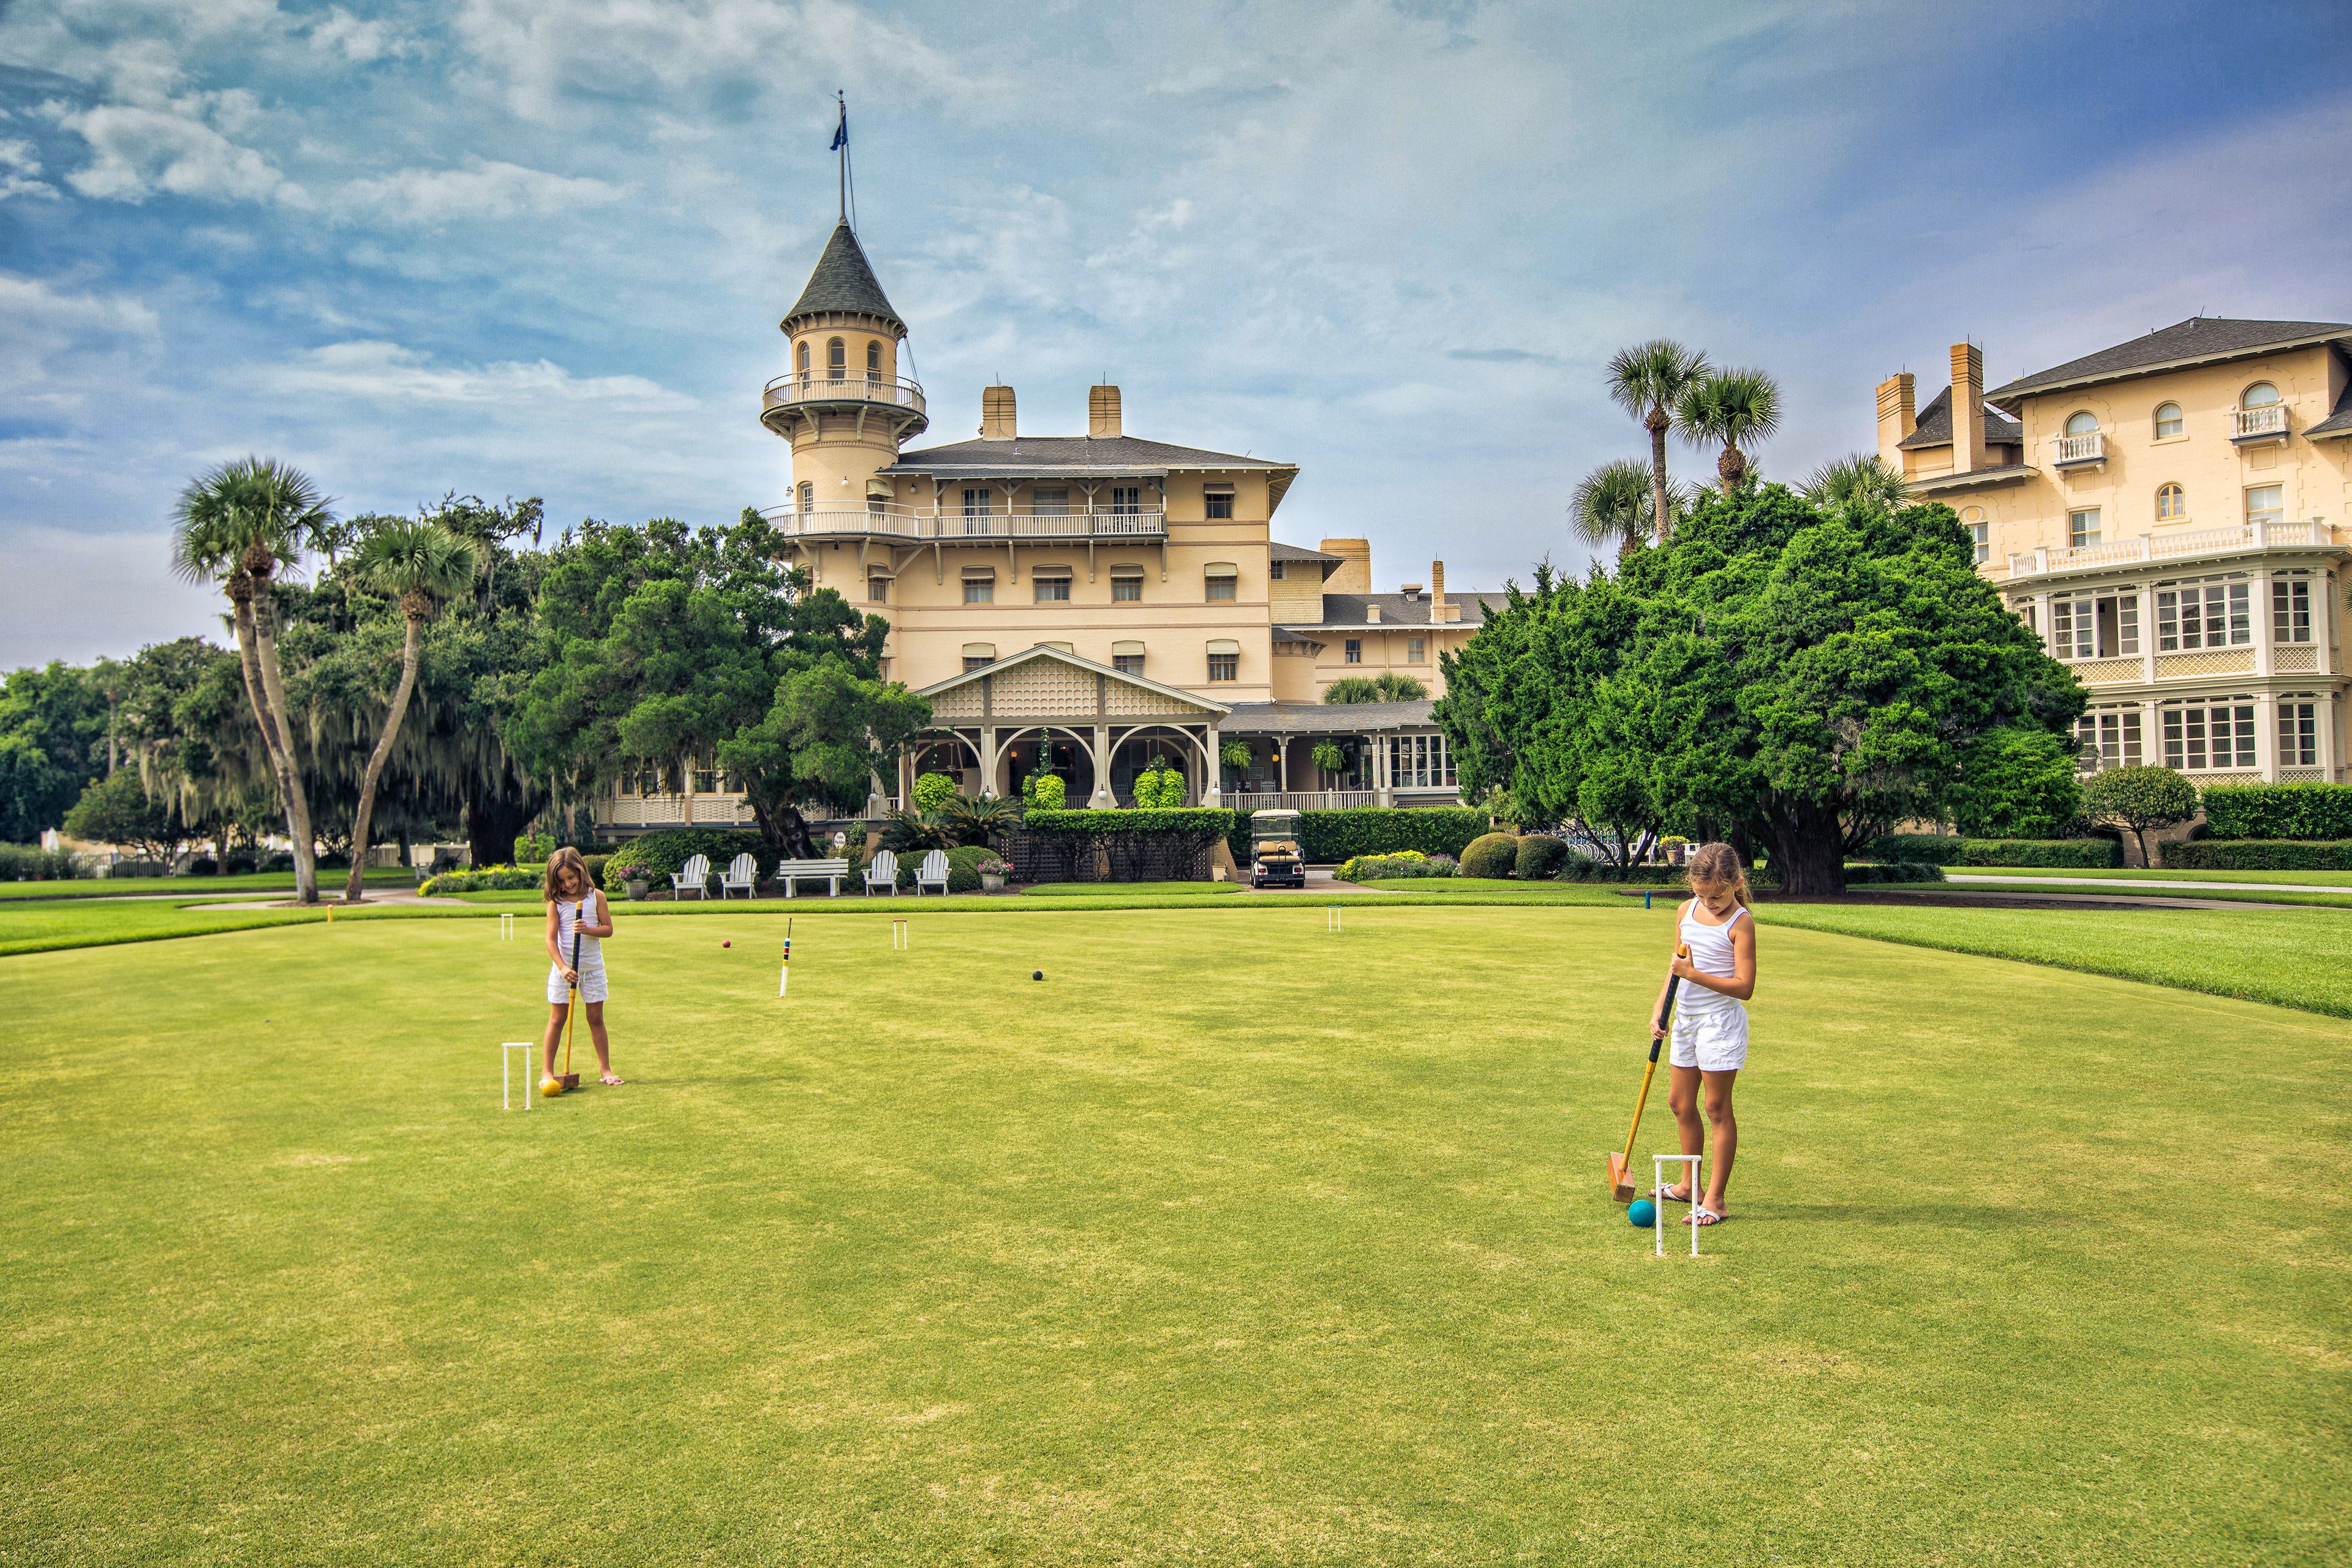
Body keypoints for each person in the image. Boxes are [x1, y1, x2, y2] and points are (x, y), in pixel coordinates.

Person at [1648, 842, 1755, 1226]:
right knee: (1679, 1103)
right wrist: (1662, 1005)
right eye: (1702, 895)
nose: (1710, 903)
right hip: (1687, 1020)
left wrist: (1694, 976)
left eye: (1718, 895)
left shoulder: (1740, 923)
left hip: (1720, 1024)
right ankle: (1688, 1185)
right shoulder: (1686, 911)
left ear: (1736, 883)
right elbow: (1676, 965)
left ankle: (1716, 1199)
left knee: (1716, 1108)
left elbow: (1745, 987)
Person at [542, 847, 623, 1087]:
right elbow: (550, 940)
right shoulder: (556, 904)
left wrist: (588, 929)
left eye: (571, 877)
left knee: (596, 1018)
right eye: (561, 880)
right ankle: (547, 1072)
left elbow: (608, 929)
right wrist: (563, 968)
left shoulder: (596, 897)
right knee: (557, 1020)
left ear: (580, 871)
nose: (568, 884)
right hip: (565, 970)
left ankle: (606, 1070)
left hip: (592, 969)